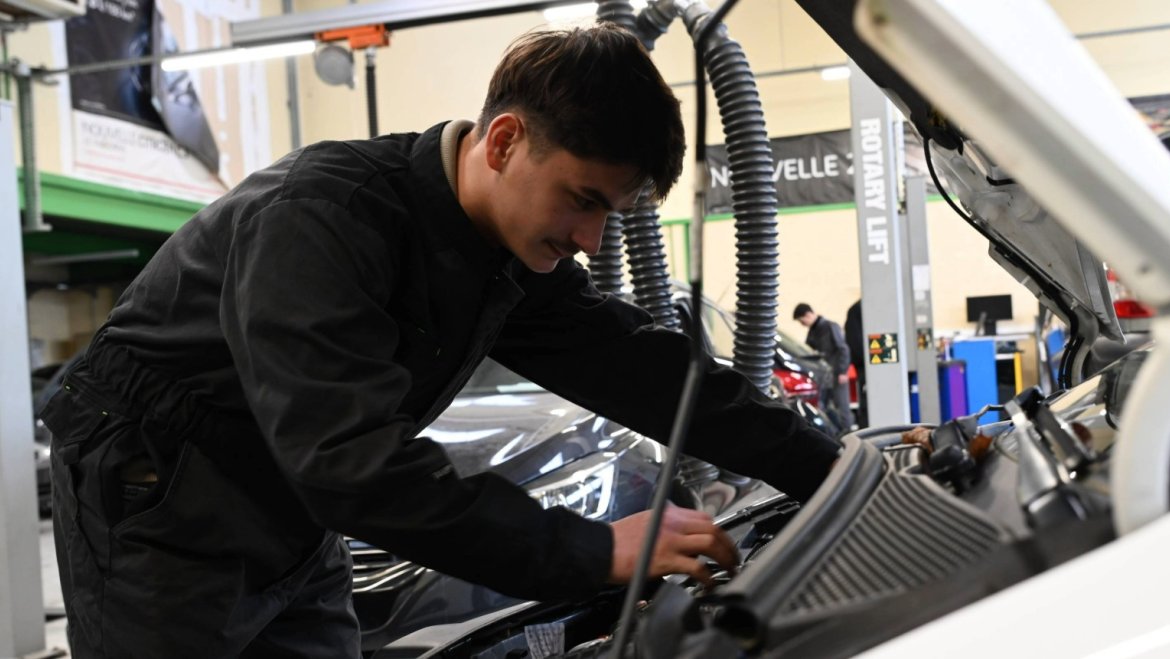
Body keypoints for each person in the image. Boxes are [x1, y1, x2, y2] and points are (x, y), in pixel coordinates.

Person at [40, 24, 841, 658]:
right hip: (160, 499)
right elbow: (351, 463)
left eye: (611, 213)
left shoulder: (503, 256)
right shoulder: (322, 220)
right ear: (504, 141)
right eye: (583, 200)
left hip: (290, 507)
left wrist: (831, 469)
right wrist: (595, 550)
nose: (592, 240)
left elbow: (643, 367)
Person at [794, 302, 855, 431]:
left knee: (842, 408)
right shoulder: (813, 332)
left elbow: (843, 349)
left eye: (802, 321)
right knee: (825, 408)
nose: (802, 324)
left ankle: (849, 435)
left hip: (837, 375)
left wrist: (843, 371)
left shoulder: (830, 327)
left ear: (808, 315)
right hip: (823, 377)